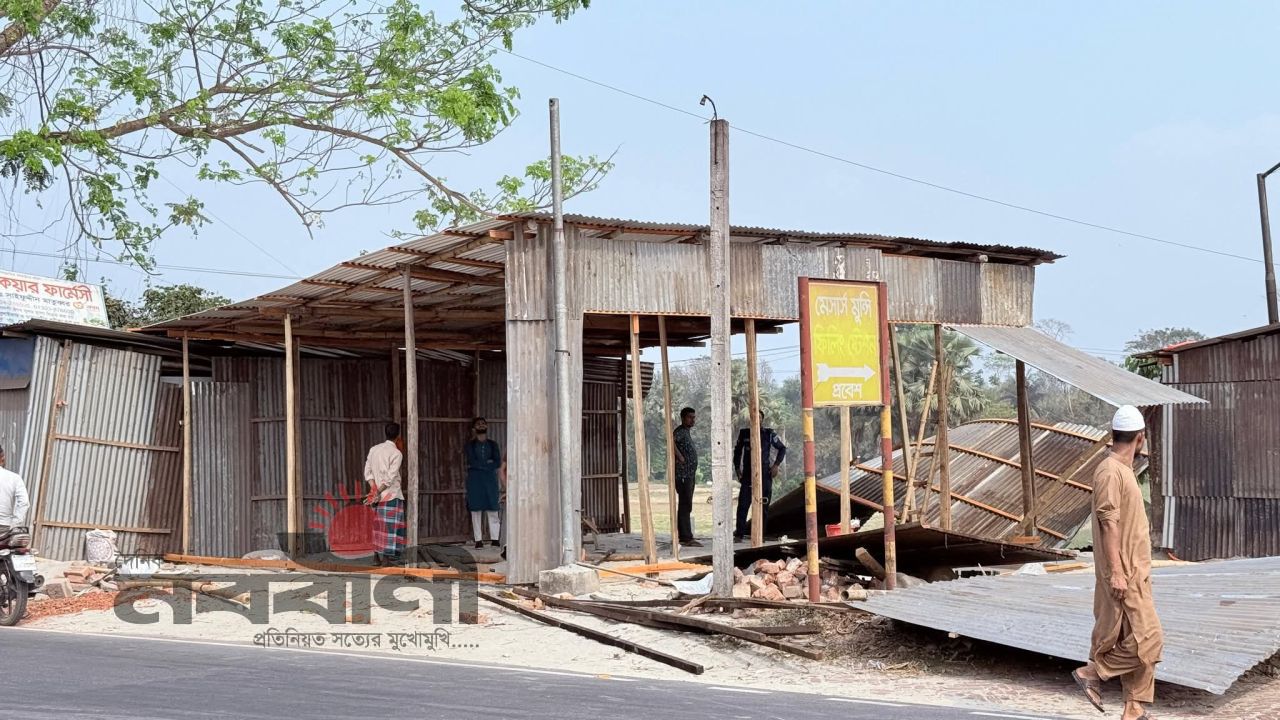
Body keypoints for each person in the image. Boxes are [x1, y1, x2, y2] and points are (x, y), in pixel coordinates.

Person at [1072, 405, 1163, 720]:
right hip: (1125, 574)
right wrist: (1118, 574)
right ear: (1141, 438)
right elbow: (1109, 522)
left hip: (1135, 572)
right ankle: (1094, 672)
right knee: (1148, 640)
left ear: (1113, 436)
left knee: (1133, 637)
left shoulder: (1121, 471)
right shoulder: (1111, 471)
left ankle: (1134, 709)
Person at [732, 410, 787, 541]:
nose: (756, 419)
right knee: (743, 505)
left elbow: (782, 448)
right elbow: (737, 452)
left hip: (764, 474)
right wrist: (738, 471)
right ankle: (739, 534)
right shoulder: (744, 433)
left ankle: (760, 534)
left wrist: (776, 465)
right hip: (747, 475)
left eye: (759, 417)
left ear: (762, 419)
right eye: (753, 417)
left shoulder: (768, 433)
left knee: (764, 505)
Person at [364, 423, 404, 566]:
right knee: (389, 528)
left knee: (377, 526)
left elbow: (367, 472)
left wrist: (373, 489)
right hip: (390, 495)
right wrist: (379, 491)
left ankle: (376, 558)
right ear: (398, 435)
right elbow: (390, 477)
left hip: (375, 495)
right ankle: (386, 560)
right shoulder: (396, 453)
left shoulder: (374, 449)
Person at [465, 417, 504, 550]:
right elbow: (471, 461)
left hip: (490, 480)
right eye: (478, 424)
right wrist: (487, 464)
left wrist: (484, 465)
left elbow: (497, 462)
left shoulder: (493, 445)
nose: (481, 425)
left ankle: (495, 539)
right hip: (475, 480)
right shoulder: (470, 445)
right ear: (474, 428)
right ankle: (478, 540)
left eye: (483, 423)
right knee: (475, 510)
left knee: (492, 508)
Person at [672, 407, 701, 547]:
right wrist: (680, 457)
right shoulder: (680, 432)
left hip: (689, 474)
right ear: (683, 418)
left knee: (687, 504)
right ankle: (685, 537)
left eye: (694, 417)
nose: (692, 420)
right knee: (685, 504)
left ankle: (685, 535)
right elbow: (670, 442)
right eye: (690, 417)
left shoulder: (686, 432)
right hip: (682, 474)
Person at [0, 444, 30, 535]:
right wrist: (15, 523)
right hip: (4, 527)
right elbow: (24, 502)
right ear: (2, 457)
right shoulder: (14, 478)